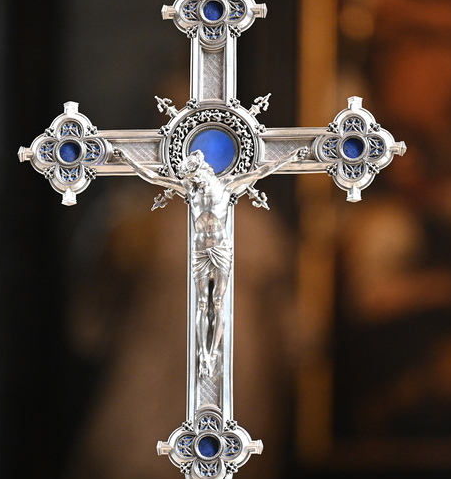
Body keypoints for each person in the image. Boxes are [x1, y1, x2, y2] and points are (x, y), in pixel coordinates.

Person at [113, 146, 307, 376]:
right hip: (157, 352)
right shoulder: (149, 223)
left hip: (238, 354)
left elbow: (282, 308)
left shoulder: (256, 227)